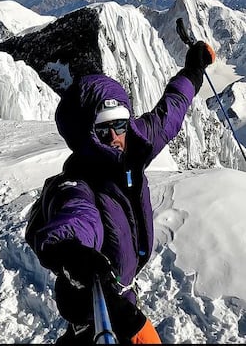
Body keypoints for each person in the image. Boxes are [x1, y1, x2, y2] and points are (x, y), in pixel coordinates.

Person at [25, 41, 216, 344]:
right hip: (95, 303)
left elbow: (171, 110)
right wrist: (73, 251)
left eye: (120, 124)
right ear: (84, 133)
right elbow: (76, 214)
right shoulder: (79, 181)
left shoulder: (135, 144)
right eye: (103, 129)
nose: (115, 137)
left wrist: (193, 71)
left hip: (122, 293)